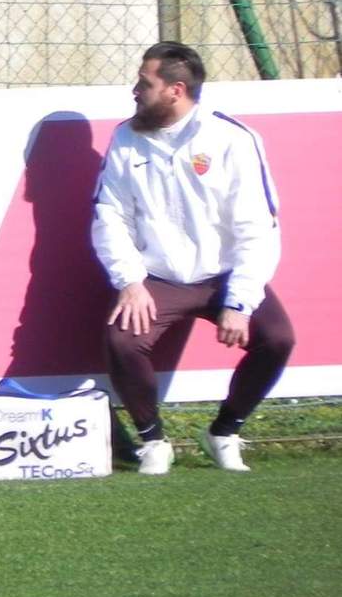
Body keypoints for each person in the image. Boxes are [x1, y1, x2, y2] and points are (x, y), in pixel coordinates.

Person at [92, 41, 295, 475]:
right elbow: (109, 215)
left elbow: (257, 228)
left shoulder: (232, 139)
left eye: (144, 83)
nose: (134, 91)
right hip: (158, 276)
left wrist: (239, 302)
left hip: (223, 275)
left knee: (278, 339)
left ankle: (223, 432)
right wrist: (130, 281)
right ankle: (153, 442)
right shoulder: (126, 138)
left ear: (176, 90)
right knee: (121, 340)